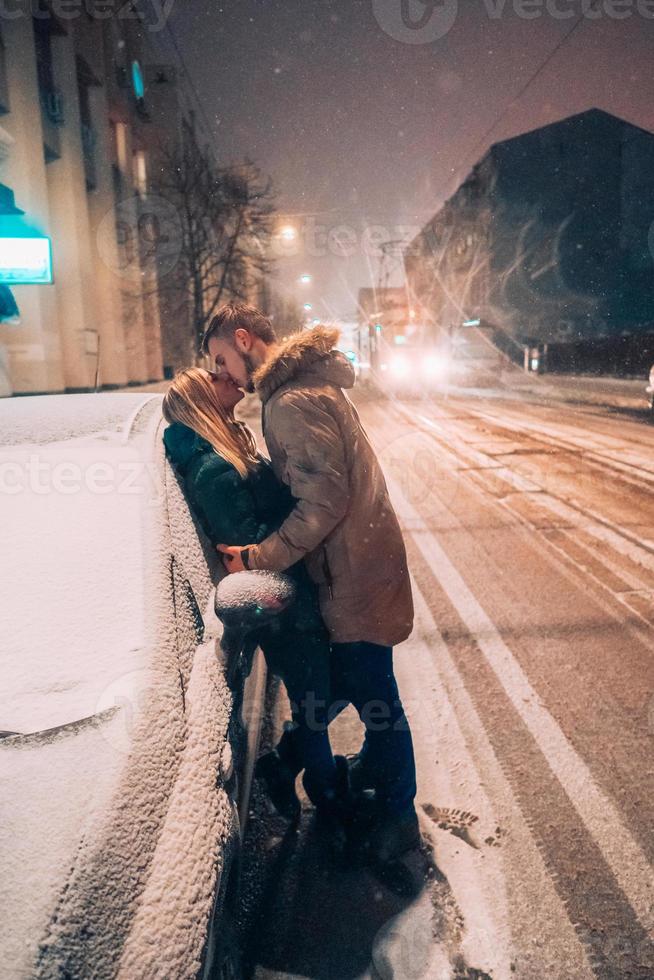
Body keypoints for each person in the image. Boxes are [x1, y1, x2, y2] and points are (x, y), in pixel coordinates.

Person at [203, 302, 419, 863]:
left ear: (244, 340)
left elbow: (323, 501)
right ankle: (349, 770)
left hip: (353, 572)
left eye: (222, 359)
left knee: (374, 696)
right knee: (363, 684)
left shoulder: (291, 402)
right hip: (360, 564)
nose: (223, 374)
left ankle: (397, 814)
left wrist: (258, 556)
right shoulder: (302, 389)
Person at [161, 367, 350, 833]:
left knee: (322, 692)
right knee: (320, 694)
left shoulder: (225, 447)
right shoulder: (211, 468)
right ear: (203, 397)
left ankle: (287, 768)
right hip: (279, 604)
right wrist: (296, 530)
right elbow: (244, 543)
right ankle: (328, 801)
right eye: (217, 376)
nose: (231, 378)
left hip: (289, 593)